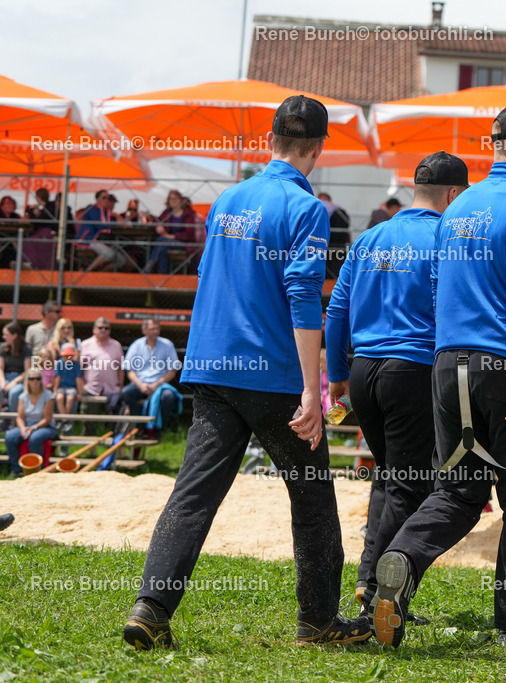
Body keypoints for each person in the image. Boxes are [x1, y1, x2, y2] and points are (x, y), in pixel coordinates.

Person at [124, 95, 371, 651]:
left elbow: (212, 278)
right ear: (318, 148)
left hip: (212, 364)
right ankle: (318, 622)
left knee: (193, 494)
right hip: (273, 375)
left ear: (271, 140)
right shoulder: (307, 209)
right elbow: (304, 299)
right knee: (311, 498)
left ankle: (151, 608)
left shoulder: (228, 200)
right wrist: (314, 389)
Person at [370, 102, 506, 649]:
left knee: (457, 491)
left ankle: (399, 562)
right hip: (503, 365)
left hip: (446, 363)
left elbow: (438, 292)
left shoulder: (457, 210)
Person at [325, 151, 469, 618]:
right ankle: (380, 598)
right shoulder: (447, 238)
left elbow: (337, 312)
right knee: (411, 486)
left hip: (364, 369)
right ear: (453, 194)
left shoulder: (370, 237)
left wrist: (337, 377)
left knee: (389, 480)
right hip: (413, 368)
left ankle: (369, 585)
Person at [121, 320, 181, 437]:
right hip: (140, 384)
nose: (156, 331)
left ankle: (158, 429)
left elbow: (172, 371)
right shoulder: (136, 345)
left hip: (160, 385)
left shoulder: (167, 345)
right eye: (153, 329)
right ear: (144, 330)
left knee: (168, 396)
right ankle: (140, 426)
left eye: (157, 328)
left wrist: (157, 384)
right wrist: (141, 385)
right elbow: (130, 371)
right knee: (126, 393)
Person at [4, 369, 55, 477]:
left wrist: (34, 428)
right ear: (28, 380)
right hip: (27, 425)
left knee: (35, 439)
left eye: (38, 378)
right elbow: (20, 417)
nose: (35, 381)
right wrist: (22, 428)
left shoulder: (48, 395)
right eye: (32, 378)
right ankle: (16, 470)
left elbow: (47, 419)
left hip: (45, 426)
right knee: (10, 437)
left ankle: (38, 471)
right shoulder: (23, 396)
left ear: (41, 380)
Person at [143, 190, 200, 274]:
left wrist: (171, 236)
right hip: (167, 243)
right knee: (162, 248)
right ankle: (162, 275)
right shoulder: (167, 213)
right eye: (171, 199)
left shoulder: (188, 214)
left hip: (184, 243)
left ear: (180, 200)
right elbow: (157, 222)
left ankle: (151, 263)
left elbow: (189, 234)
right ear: (168, 201)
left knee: (161, 241)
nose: (173, 200)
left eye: (175, 198)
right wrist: (158, 227)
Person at [80, 317, 124, 413]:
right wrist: (82, 384)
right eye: (100, 328)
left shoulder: (116, 345)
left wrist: (120, 386)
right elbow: (80, 367)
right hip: (91, 389)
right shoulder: (85, 345)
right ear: (94, 329)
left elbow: (121, 368)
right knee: (89, 421)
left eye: (106, 328)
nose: (103, 330)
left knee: (112, 421)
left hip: (112, 389)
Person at [75, 190, 125, 272]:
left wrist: (116, 216)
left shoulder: (105, 212)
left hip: (100, 241)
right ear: (97, 199)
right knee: (108, 253)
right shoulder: (92, 208)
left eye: (107, 198)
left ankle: (99, 274)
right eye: (104, 197)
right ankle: (87, 271)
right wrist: (115, 223)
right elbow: (99, 225)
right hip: (87, 239)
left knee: (121, 261)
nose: (106, 200)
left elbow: (121, 223)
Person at [0, 322, 32, 412]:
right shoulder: (3, 347)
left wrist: (13, 383)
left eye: (6, 335)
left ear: (14, 335)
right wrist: (3, 383)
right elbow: (0, 368)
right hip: (4, 377)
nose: (3, 337)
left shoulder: (26, 349)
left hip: (19, 379)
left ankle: (12, 421)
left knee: (14, 393)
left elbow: (27, 371)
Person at [53, 342, 83, 433]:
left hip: (71, 387)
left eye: (70, 355)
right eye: (66, 355)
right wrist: (55, 390)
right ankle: (65, 421)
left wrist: (79, 392)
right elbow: (57, 377)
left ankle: (63, 419)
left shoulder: (75, 365)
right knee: (59, 398)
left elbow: (78, 379)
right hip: (62, 387)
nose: (68, 358)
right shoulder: (59, 363)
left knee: (70, 398)